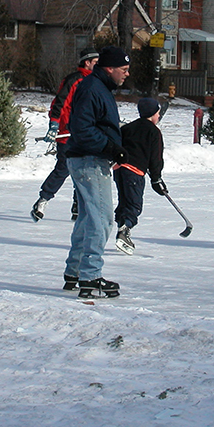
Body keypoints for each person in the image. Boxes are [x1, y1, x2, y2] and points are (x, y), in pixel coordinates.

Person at [62, 45, 131, 298]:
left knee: (87, 218)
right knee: (102, 220)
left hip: (86, 159)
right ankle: (91, 276)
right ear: (109, 68)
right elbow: (82, 129)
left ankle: (75, 271)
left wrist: (117, 144)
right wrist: (111, 148)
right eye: (123, 70)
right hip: (89, 161)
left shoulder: (97, 88)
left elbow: (96, 125)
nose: (126, 74)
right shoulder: (93, 89)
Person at [31, 47, 100, 222]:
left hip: (86, 134)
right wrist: (54, 124)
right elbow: (59, 102)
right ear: (87, 62)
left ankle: (78, 205)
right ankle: (43, 199)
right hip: (68, 133)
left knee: (84, 170)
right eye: (96, 63)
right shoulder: (75, 80)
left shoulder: (96, 82)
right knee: (64, 168)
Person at [113, 96, 166, 255]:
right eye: (158, 113)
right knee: (134, 205)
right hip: (134, 173)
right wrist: (156, 179)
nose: (159, 116)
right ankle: (125, 230)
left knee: (124, 201)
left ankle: (122, 229)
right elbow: (155, 159)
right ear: (153, 114)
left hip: (119, 170)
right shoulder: (154, 132)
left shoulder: (128, 128)